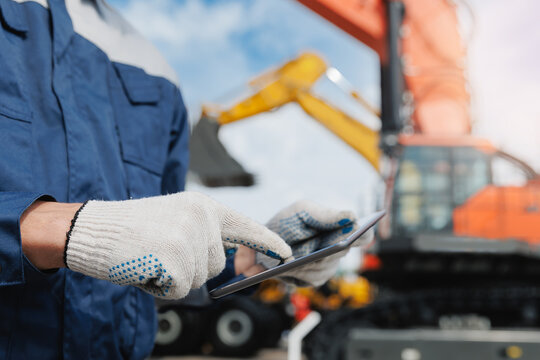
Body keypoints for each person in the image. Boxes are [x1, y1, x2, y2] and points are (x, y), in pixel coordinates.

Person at [0, 0, 371, 358]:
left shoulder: (153, 69)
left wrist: (253, 255)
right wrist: (55, 230)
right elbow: (92, 234)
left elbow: (154, 264)